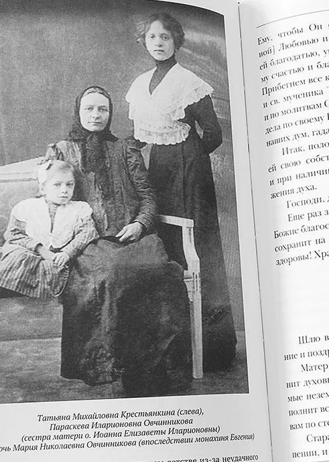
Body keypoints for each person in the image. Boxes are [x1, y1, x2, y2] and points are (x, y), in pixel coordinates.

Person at [44, 85, 191, 397]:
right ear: (78, 112)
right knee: (115, 273)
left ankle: (155, 365)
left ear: (110, 114)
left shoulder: (124, 148)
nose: (96, 115)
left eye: (103, 109)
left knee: (162, 271)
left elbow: (147, 196)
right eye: (89, 109)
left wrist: (140, 224)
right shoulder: (61, 151)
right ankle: (119, 365)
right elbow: (50, 201)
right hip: (88, 242)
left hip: (133, 236)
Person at [126, 13, 236, 371]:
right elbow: (140, 136)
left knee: (197, 248)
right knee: (166, 246)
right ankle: (173, 346)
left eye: (165, 37)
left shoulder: (189, 82)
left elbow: (213, 133)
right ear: (144, 41)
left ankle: (212, 349)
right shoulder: (141, 85)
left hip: (189, 173)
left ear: (176, 41)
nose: (159, 43)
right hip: (159, 170)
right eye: (152, 37)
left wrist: (191, 157)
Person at [0, 160, 98, 335]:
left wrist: (67, 252)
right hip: (28, 251)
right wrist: (40, 249)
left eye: (69, 185)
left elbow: (87, 233)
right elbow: (13, 234)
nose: (64, 190)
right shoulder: (28, 207)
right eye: (57, 185)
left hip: (57, 256)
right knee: (18, 257)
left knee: (53, 273)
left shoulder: (79, 209)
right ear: (43, 188)